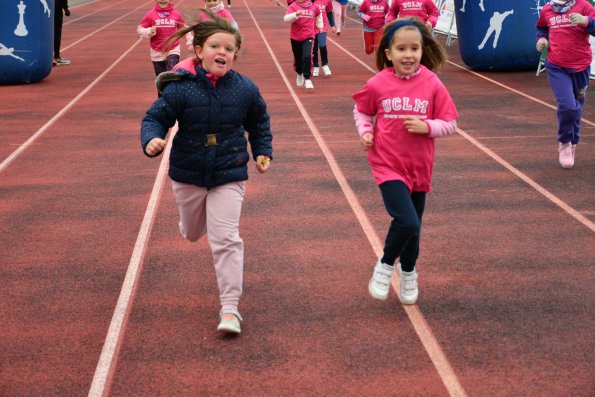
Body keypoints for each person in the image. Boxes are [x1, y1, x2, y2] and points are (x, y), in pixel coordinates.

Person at [140, 12, 273, 334]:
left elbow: (259, 121)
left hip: (229, 170)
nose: (222, 52)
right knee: (192, 232)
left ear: (235, 55)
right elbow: (154, 118)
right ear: (199, 50)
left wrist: (262, 151)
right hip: (188, 173)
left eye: (229, 49)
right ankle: (190, 224)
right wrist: (152, 139)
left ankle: (230, 309)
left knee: (226, 238)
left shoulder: (244, 88)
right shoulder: (181, 88)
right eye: (215, 45)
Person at [352, 18, 458, 304]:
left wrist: (428, 127)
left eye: (414, 48)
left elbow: (450, 123)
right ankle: (386, 265)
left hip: (420, 167)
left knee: (414, 228)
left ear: (422, 51)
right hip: (387, 164)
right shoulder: (378, 83)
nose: (408, 54)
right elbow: (361, 111)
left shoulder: (432, 83)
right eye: (401, 49)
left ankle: (409, 272)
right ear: (389, 53)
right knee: (407, 221)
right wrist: (365, 131)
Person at [536, 0, 595, 169]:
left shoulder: (584, 6)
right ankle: (564, 141)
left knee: (577, 107)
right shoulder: (547, 9)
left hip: (581, 66)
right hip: (556, 66)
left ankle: (573, 141)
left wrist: (586, 21)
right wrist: (541, 40)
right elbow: (541, 28)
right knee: (568, 105)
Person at [137, 0, 186, 78]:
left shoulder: (176, 14)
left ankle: (172, 89)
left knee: (171, 73)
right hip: (156, 50)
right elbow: (140, 30)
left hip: (172, 49)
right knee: (161, 79)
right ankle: (162, 90)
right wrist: (149, 30)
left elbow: (183, 28)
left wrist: (190, 42)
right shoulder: (150, 15)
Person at [284, 0, 323, 89]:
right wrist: (295, 15)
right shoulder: (293, 6)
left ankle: (308, 78)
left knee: (307, 56)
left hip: (309, 35)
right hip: (295, 36)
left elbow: (318, 15)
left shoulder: (313, 6)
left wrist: (320, 26)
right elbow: (286, 19)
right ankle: (299, 72)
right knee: (298, 58)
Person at [312, 0, 336, 77]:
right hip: (311, 27)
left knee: (322, 45)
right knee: (314, 48)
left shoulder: (327, 1)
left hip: (323, 27)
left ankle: (325, 64)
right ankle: (315, 66)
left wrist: (332, 25)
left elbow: (329, 12)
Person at [53, 0, 71, 66]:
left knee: (47, 33)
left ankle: (47, 57)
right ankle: (57, 57)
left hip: (45, 9)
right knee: (56, 32)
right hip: (56, 8)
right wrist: (66, 9)